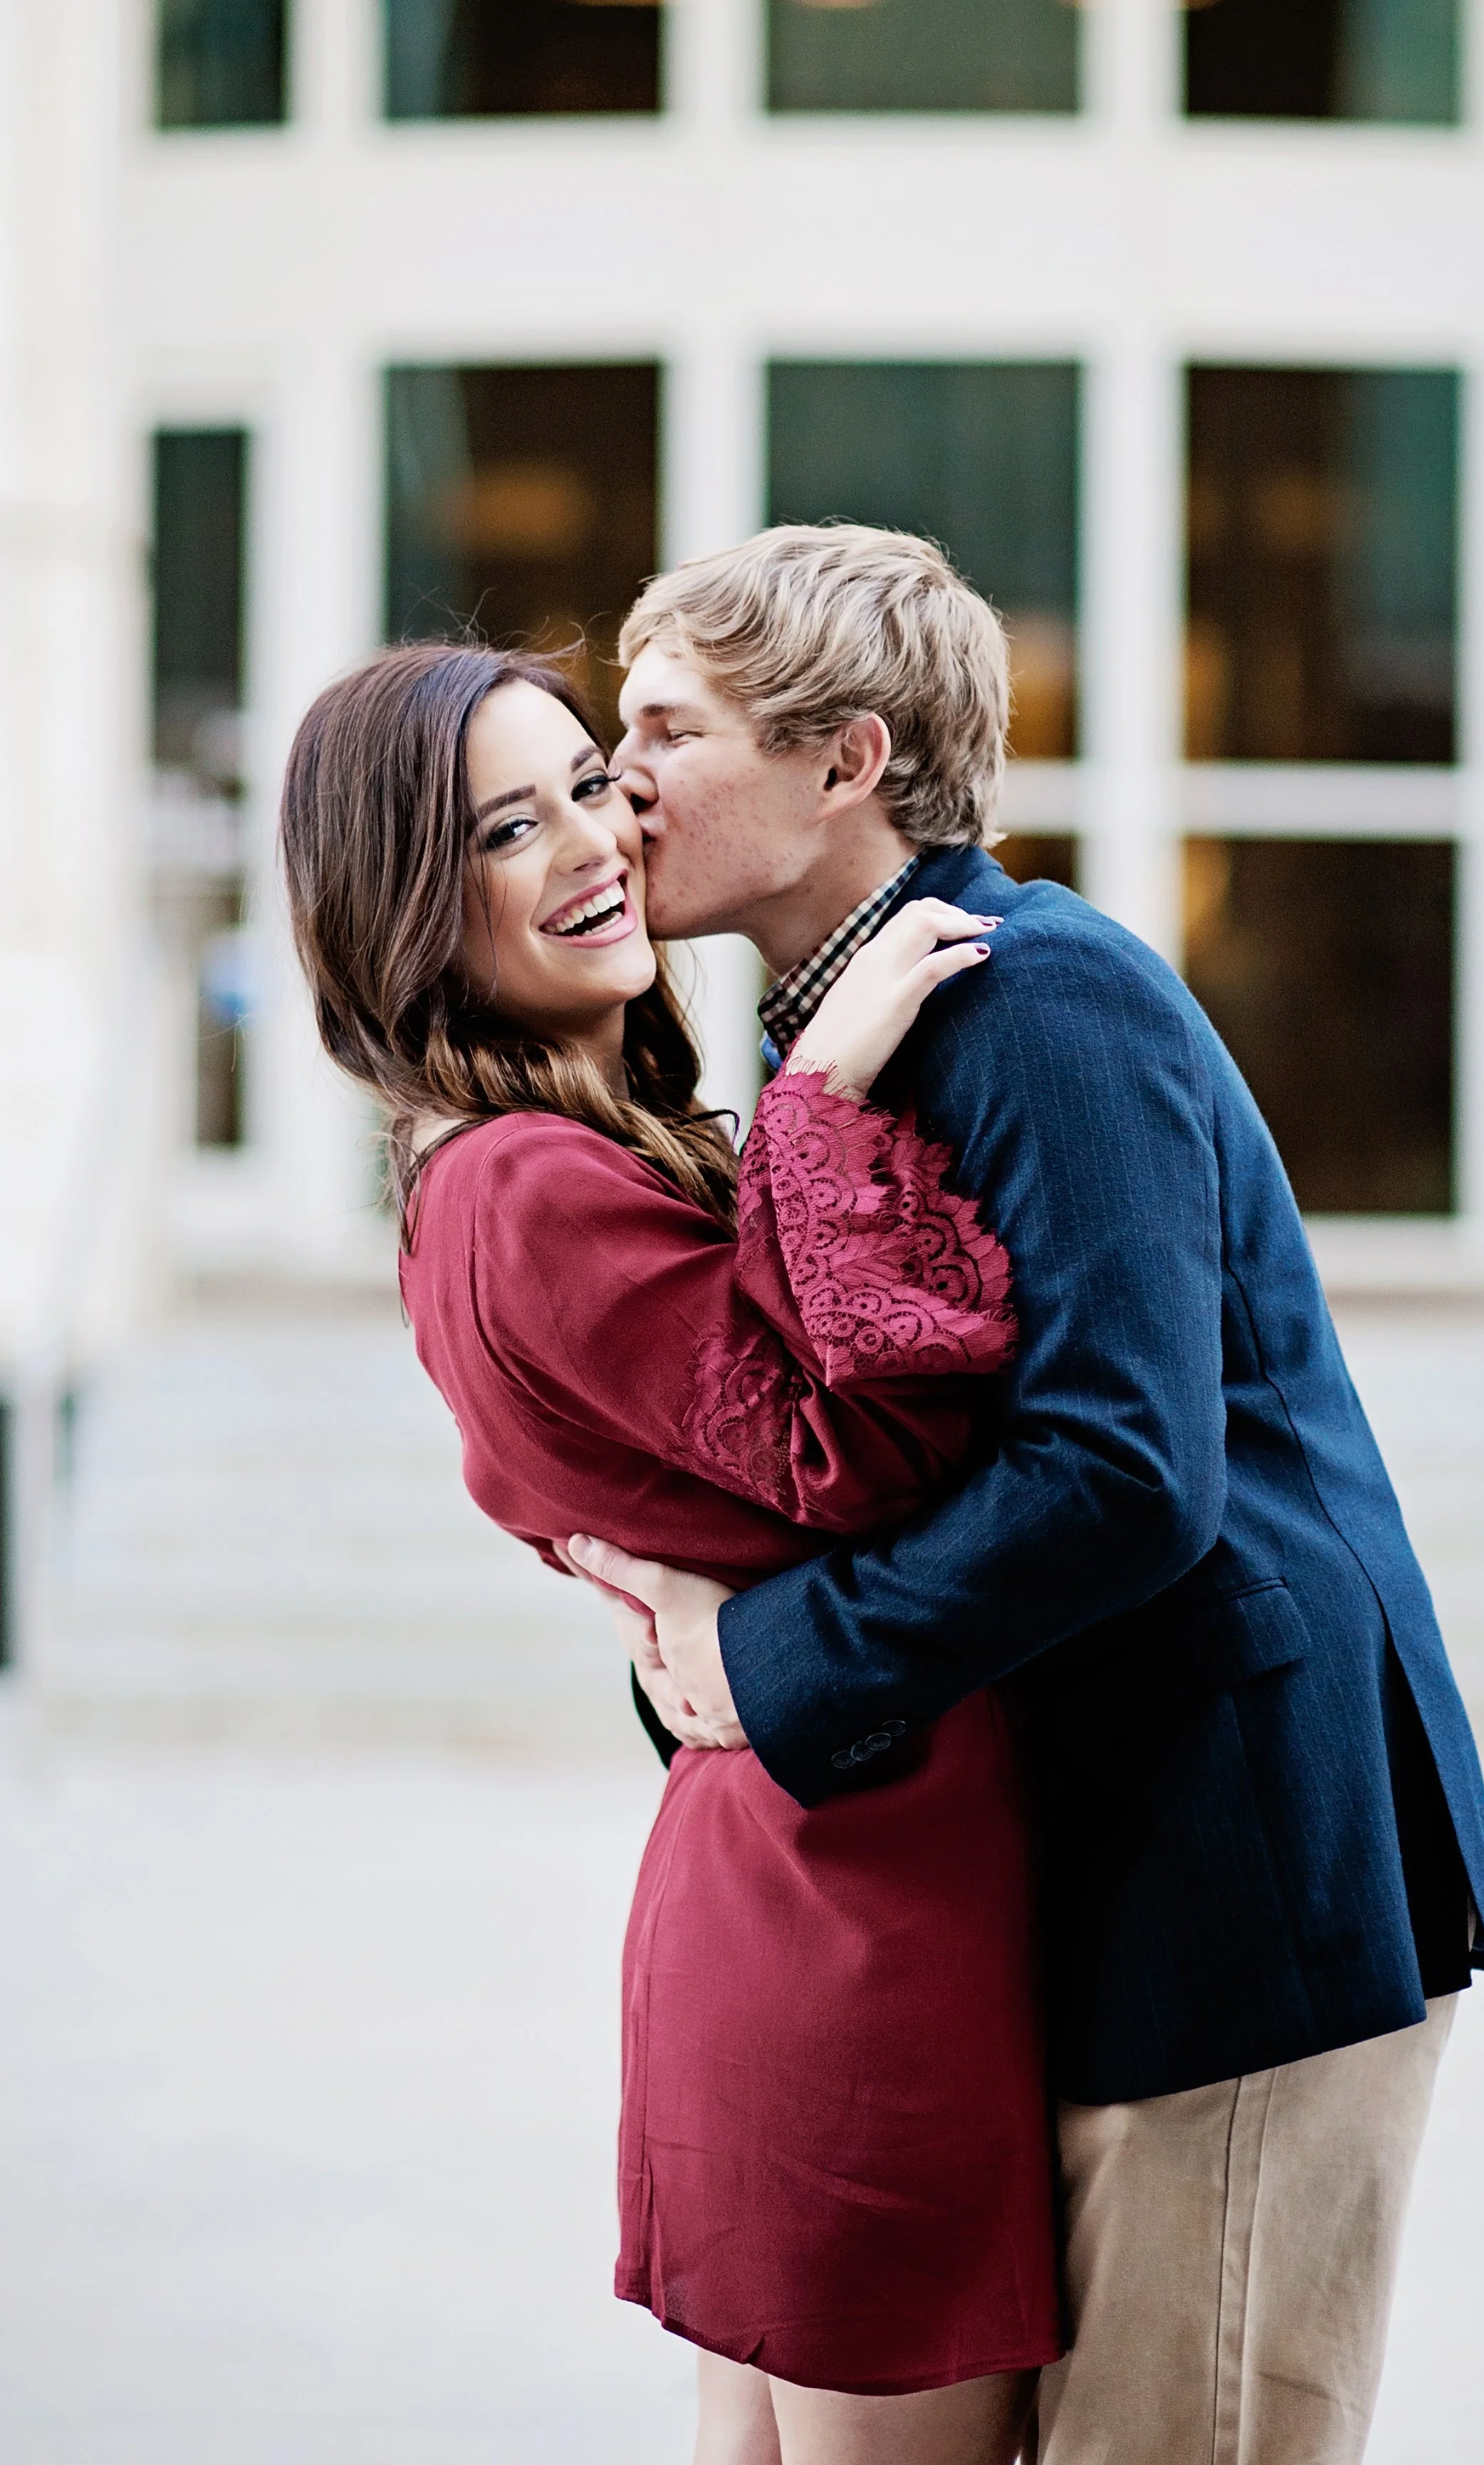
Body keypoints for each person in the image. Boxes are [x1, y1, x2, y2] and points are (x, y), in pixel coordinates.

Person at [564, 523, 1484, 2465]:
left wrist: (772, 1661)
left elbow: (1125, 1471)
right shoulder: (857, 1028)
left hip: (1241, 1872)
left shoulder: (1041, 994)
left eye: (663, 728)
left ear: (847, 762)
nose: (617, 782)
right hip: (1112, 1859)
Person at [278, 642, 1062, 2465]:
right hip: (854, 1912)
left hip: (821, 1858)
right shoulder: (520, 1182)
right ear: (404, 894)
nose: (595, 837)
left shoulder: (548, 1150)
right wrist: (830, 1094)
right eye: (506, 824)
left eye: (593, 780)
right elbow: (863, 1451)